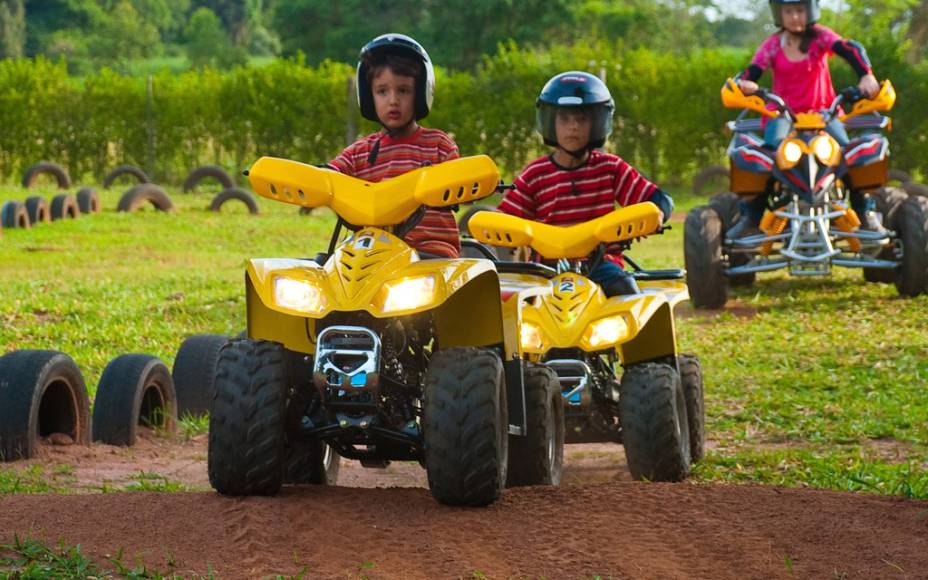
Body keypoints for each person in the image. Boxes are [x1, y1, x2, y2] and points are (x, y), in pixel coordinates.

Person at [497, 71, 674, 297]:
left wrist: (656, 214)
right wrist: (503, 232)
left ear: (597, 123)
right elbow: (506, 218)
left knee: (627, 291)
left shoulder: (610, 168)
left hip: (600, 265)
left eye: (581, 119)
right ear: (551, 122)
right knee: (513, 305)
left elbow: (657, 198)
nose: (573, 127)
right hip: (545, 270)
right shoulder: (535, 174)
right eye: (565, 119)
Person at [728, 0, 881, 238]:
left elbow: (849, 49)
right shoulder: (772, 45)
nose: (795, 17)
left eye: (799, 10)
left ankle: (865, 212)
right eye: (788, 11)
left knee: (847, 154)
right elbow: (752, 71)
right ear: (779, 14)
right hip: (783, 114)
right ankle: (752, 216)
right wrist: (744, 84)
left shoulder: (821, 37)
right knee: (769, 156)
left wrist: (866, 76)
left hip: (823, 114)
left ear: (810, 11)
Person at [326, 33, 461, 258]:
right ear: (369, 97)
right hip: (372, 256)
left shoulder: (438, 145)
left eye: (403, 90)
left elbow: (460, 180)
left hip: (431, 255)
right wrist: (316, 181)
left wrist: (471, 181)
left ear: (420, 94)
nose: (393, 100)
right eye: (382, 91)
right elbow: (331, 173)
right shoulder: (360, 151)